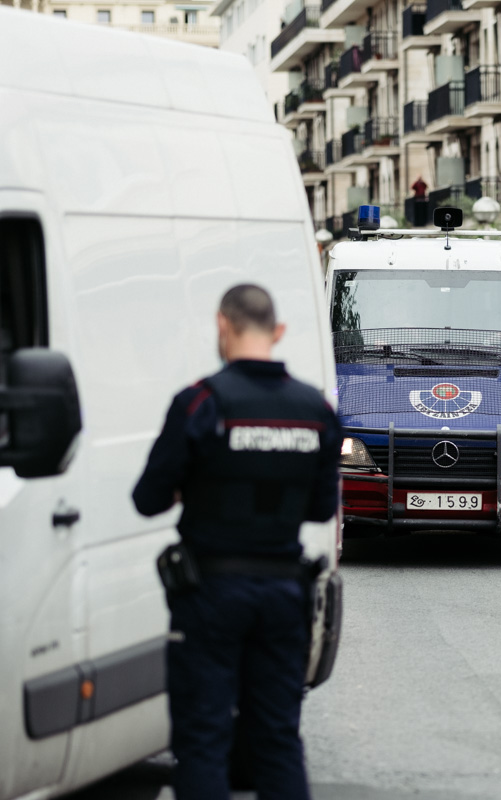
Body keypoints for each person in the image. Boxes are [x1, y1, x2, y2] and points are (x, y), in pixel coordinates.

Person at [132, 285, 342, 800]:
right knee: (275, 739)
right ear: (278, 332)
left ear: (222, 326)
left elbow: (148, 497)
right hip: (283, 596)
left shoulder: (200, 402)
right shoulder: (315, 410)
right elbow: (320, 508)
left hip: (211, 592)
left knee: (203, 738)